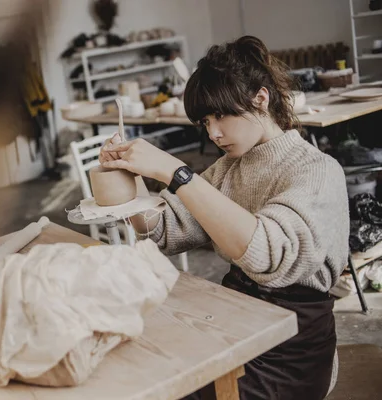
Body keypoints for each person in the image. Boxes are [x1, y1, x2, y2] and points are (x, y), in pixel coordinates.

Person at [99, 35, 349, 400]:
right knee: (142, 367)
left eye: (222, 115)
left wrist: (177, 173)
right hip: (236, 318)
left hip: (292, 348)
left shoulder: (317, 170)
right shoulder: (228, 168)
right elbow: (167, 229)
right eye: (205, 121)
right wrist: (130, 179)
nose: (213, 132)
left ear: (260, 99)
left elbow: (270, 255)